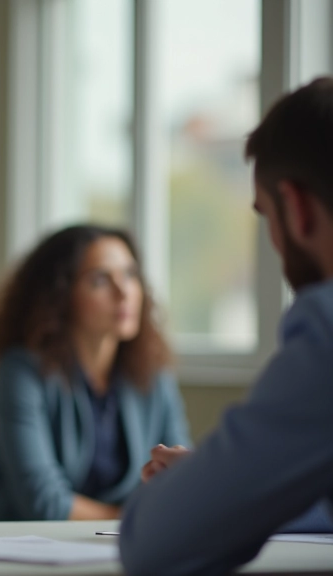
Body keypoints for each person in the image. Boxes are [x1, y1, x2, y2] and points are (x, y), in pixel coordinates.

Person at [119, 77, 333, 575]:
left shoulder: (325, 332)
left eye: (266, 216)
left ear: (297, 208)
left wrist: (213, 486)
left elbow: (153, 542)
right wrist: (226, 480)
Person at [0, 225, 191, 521]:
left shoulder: (152, 373)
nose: (123, 292)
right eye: (100, 279)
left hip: (124, 543)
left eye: (130, 275)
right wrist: (134, 519)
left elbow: (181, 481)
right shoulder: (22, 370)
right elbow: (43, 502)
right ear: (60, 294)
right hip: (31, 548)